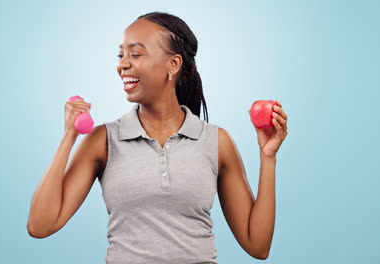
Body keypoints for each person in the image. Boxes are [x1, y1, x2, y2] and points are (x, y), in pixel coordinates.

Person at [27, 11, 288, 263]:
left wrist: (268, 157)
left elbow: (257, 245)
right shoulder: (104, 140)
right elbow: (40, 226)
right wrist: (69, 137)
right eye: (121, 54)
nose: (122, 64)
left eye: (136, 54)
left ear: (173, 64)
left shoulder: (215, 141)